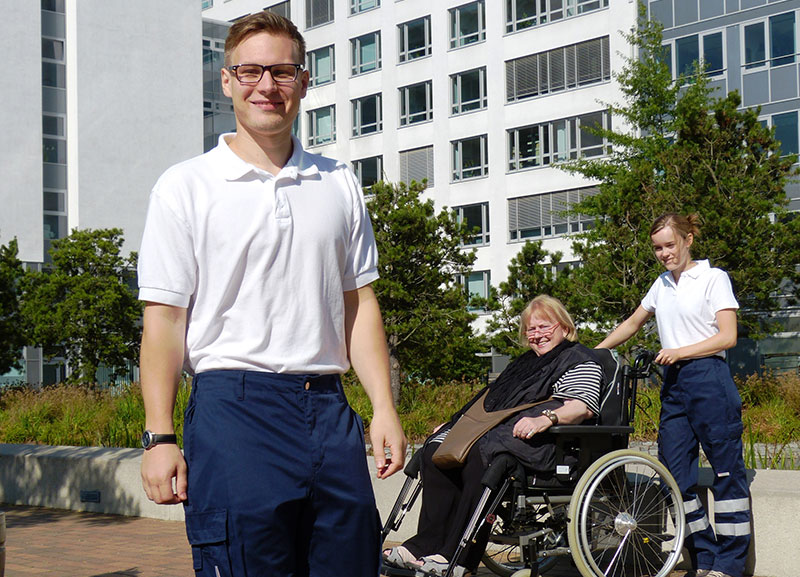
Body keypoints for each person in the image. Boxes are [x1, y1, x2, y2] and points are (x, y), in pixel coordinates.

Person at [137, 12, 406, 577]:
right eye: (251, 71)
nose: (267, 86)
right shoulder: (186, 186)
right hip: (234, 409)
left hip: (330, 411)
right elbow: (164, 320)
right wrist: (159, 435)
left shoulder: (338, 182)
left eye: (282, 72)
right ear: (228, 80)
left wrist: (383, 407)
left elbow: (359, 304)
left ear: (304, 82)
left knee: (351, 563)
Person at [383, 295, 602, 576]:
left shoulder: (579, 358)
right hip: (503, 436)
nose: (537, 335)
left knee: (481, 455)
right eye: (531, 330)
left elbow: (581, 406)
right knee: (435, 449)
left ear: (563, 326)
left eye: (544, 327)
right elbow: (489, 404)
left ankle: (455, 555)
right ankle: (423, 546)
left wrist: (546, 418)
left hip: (547, 444)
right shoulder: (523, 364)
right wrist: (454, 425)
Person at [596, 213, 750, 577]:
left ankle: (730, 564)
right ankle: (704, 556)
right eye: (657, 248)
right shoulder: (661, 284)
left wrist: (681, 351)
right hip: (674, 384)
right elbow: (633, 324)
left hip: (709, 377)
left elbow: (728, 336)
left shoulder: (714, 278)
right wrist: (592, 355)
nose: (664, 253)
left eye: (669, 245)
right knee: (675, 477)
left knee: (727, 473)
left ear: (688, 239)